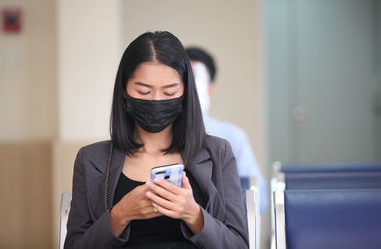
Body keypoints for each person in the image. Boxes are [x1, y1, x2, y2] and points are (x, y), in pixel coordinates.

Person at [64, 31, 248, 249]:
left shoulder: (218, 152)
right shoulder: (92, 159)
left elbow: (238, 245)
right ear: (124, 89)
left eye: (169, 92)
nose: (156, 100)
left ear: (186, 92)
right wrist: (120, 215)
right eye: (143, 91)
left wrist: (194, 215)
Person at [186, 47, 268, 213]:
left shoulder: (233, 137)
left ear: (210, 89)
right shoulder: (158, 136)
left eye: (195, 79)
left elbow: (258, 199)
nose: (188, 88)